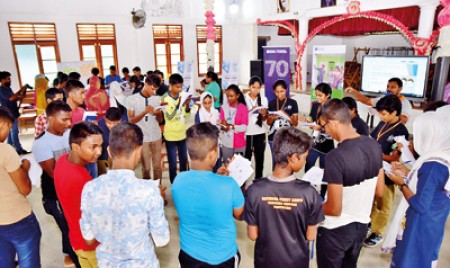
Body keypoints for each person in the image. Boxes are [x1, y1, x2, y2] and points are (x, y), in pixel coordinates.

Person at [80, 122, 170, 267]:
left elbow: (89, 239)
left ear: (109, 151)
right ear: (139, 150)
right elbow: (162, 239)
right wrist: (158, 201)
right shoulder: (149, 191)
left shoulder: (90, 189)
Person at [316, 99, 384, 268]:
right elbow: (380, 192)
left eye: (324, 128)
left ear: (332, 123)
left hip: (335, 231)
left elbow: (334, 208)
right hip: (360, 227)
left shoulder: (335, 156)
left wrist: (311, 206)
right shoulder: (374, 145)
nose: (326, 132)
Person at [244, 126, 324, 268]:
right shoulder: (309, 193)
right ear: (293, 157)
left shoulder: (254, 190)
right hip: (297, 261)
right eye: (304, 157)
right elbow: (311, 236)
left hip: (265, 261)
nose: (305, 161)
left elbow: (253, 235)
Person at [384, 107, 450, 268]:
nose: (413, 141)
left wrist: (401, 183)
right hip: (433, 222)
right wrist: (408, 172)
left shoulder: (433, 165)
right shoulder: (442, 156)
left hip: (420, 225)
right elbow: (431, 186)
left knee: (410, 261)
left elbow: (420, 204)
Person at [172, 122, 244, 267]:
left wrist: (215, 176)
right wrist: (237, 185)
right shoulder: (229, 185)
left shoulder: (177, 182)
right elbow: (239, 214)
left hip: (189, 254)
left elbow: (200, 193)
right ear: (213, 153)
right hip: (223, 257)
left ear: (188, 152)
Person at [32, 101, 80, 267]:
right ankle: (77, 261)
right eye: (64, 120)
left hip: (73, 189)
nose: (69, 123)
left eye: (70, 119)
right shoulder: (41, 144)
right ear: (51, 119)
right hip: (56, 195)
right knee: (69, 230)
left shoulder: (69, 134)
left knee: (74, 227)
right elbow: (54, 174)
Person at [54, 122, 103, 267]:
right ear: (75, 147)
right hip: (94, 246)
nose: (99, 151)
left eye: (100, 145)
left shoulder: (62, 160)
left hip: (76, 240)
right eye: (93, 147)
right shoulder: (83, 181)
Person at [365, 95, 409, 248]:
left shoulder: (401, 130)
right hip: (374, 168)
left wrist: (375, 152)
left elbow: (394, 157)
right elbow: (372, 138)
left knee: (383, 204)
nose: (380, 116)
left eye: (383, 113)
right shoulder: (383, 123)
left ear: (394, 113)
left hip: (389, 174)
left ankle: (378, 232)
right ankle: (369, 223)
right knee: (371, 199)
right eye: (379, 113)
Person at [0, 107, 41, 268]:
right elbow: (25, 189)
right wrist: (25, 167)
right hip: (16, 218)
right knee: (28, 262)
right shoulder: (4, 150)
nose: (7, 134)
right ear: (2, 124)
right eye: (9, 128)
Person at [126, 75, 163, 181]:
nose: (154, 92)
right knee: (146, 168)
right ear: (145, 84)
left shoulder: (157, 99)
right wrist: (144, 112)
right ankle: (147, 192)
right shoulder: (132, 99)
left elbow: (160, 120)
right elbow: (131, 120)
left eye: (156, 89)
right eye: (152, 89)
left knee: (157, 167)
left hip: (156, 136)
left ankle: (158, 191)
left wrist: (157, 113)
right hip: (143, 138)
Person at [161, 73, 191, 183]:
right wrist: (179, 105)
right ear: (171, 85)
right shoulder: (164, 98)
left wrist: (186, 105)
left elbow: (187, 115)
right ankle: (174, 184)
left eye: (181, 87)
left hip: (182, 134)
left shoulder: (182, 95)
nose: (179, 89)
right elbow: (169, 117)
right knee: (173, 164)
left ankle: (183, 183)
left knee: (184, 161)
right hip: (171, 136)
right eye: (177, 87)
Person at [345, 77, 413, 124]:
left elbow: (403, 120)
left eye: (393, 87)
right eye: (388, 86)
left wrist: (382, 113)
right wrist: (354, 92)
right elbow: (367, 101)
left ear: (400, 89)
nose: (389, 89)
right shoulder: (385, 99)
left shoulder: (405, 103)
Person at [301, 83, 334, 177]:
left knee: (325, 172)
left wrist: (322, 128)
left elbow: (334, 127)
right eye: (316, 95)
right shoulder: (315, 105)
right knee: (308, 167)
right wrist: (307, 121)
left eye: (320, 95)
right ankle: (311, 188)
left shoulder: (333, 108)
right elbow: (311, 118)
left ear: (327, 95)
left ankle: (323, 192)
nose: (317, 97)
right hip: (314, 142)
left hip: (326, 145)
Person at [267, 80, 299, 168]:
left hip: (287, 138)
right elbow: (268, 123)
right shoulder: (272, 103)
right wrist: (271, 118)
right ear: (274, 91)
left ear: (286, 90)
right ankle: (275, 181)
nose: (279, 94)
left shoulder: (293, 103)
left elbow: (295, 123)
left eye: (282, 91)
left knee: (286, 163)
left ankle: (286, 181)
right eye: (277, 92)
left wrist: (285, 115)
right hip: (273, 137)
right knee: (275, 162)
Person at [244, 76, 268, 180]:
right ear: (249, 87)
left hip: (260, 133)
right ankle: (243, 183)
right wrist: (250, 110)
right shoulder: (244, 99)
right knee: (246, 160)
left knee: (260, 159)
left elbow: (265, 119)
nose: (256, 90)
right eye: (254, 87)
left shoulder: (264, 99)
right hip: (247, 133)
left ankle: (259, 181)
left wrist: (263, 114)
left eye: (258, 88)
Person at [0, 71, 29, 154]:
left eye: (10, 78)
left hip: (13, 112)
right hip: (8, 113)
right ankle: (18, 149)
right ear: (2, 80)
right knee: (14, 131)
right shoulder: (1, 89)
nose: (10, 80)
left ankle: (10, 148)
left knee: (10, 132)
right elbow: (11, 98)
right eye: (8, 79)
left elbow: (14, 97)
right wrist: (21, 90)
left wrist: (20, 96)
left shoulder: (8, 88)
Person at [219, 84, 249, 164]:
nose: (229, 98)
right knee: (227, 166)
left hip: (239, 143)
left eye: (231, 96)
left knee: (238, 168)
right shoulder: (223, 107)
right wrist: (222, 126)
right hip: (226, 142)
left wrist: (231, 126)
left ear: (238, 95)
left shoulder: (243, 108)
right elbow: (220, 124)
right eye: (227, 96)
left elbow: (244, 127)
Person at [97, 107, 122, 176]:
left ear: (120, 121)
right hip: (101, 158)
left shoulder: (124, 128)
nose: (111, 126)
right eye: (109, 123)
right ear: (105, 119)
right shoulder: (98, 125)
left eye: (115, 124)